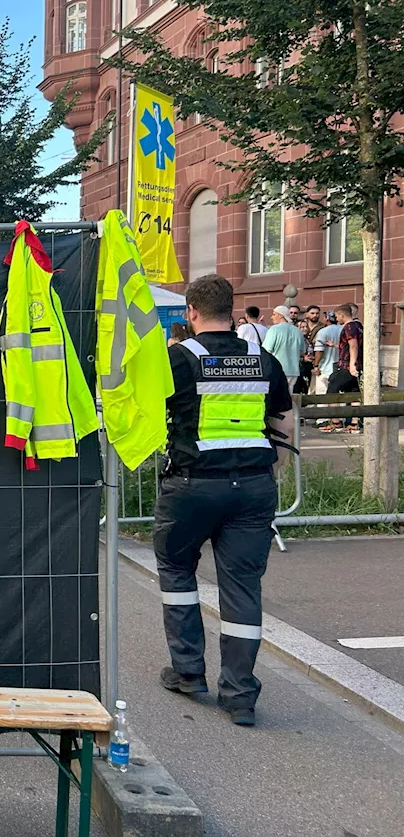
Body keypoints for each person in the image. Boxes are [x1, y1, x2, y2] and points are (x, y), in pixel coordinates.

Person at [156, 275, 293, 727]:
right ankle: (239, 695)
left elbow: (152, 414)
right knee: (242, 588)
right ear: (232, 311)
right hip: (253, 487)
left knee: (178, 570)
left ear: (191, 312)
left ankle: (188, 672)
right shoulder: (263, 358)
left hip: (193, 485)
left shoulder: (179, 359)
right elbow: (284, 425)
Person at [325, 303, 364, 432]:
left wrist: (352, 365)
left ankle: (336, 421)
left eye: (337, 316)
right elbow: (350, 346)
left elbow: (353, 345)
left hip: (347, 366)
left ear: (342, 315)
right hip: (357, 365)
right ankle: (355, 423)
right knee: (353, 392)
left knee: (332, 389)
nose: (336, 319)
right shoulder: (358, 326)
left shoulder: (349, 327)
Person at [262, 305, 306, 392]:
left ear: (281, 315)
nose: (271, 317)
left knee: (277, 398)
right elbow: (302, 352)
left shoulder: (273, 329)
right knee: (289, 397)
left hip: (277, 370)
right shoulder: (297, 331)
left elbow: (266, 351)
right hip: (294, 371)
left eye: (274, 314)